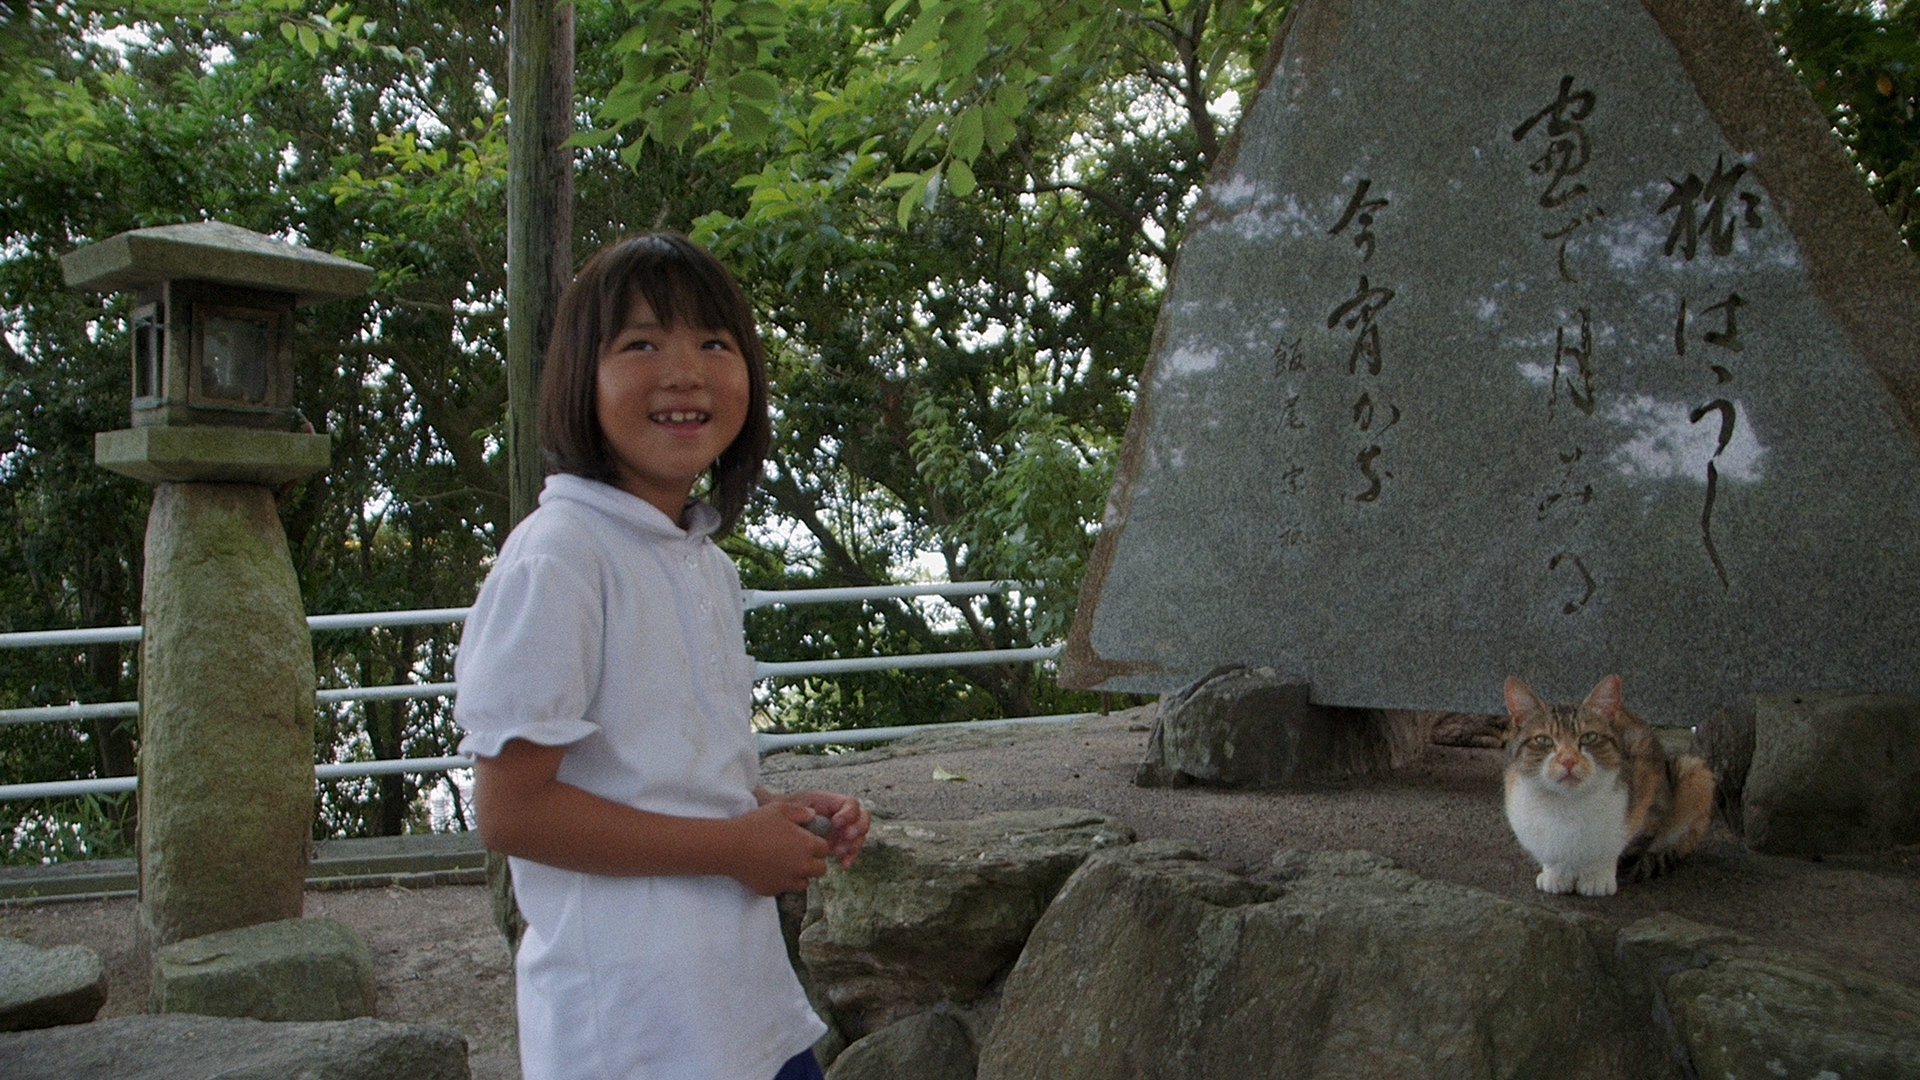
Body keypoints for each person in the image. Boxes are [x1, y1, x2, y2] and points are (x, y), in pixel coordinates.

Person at [455, 232, 870, 1080]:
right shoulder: (559, 557)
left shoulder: (701, 562)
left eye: (714, 344)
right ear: (582, 376)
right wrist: (730, 848)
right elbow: (512, 812)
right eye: (641, 344)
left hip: (742, 1007)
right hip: (635, 1032)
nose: (684, 372)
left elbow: (660, 770)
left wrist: (774, 814)